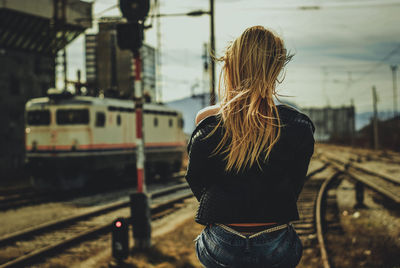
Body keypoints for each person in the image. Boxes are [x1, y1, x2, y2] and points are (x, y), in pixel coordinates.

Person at [185, 26, 315, 268]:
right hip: (276, 244)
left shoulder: (208, 122)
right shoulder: (298, 125)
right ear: (275, 69)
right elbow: (294, 186)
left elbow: (197, 181)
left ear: (231, 67)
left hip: (222, 244)